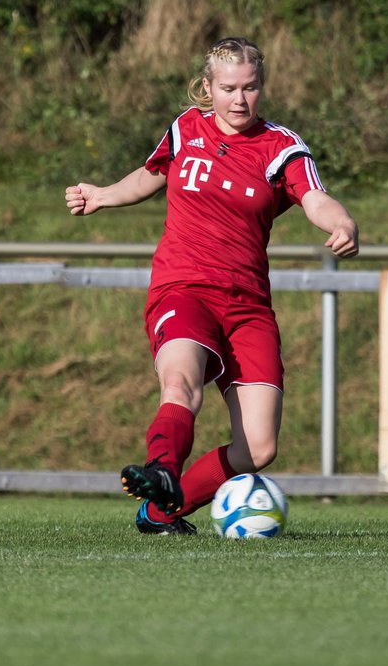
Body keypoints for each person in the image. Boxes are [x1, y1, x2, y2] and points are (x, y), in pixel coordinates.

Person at [64, 37, 360, 534]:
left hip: (247, 306)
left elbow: (315, 197)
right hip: (183, 288)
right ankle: (161, 469)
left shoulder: (281, 147)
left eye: (250, 88)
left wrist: (343, 223)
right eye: (228, 89)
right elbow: (151, 174)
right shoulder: (185, 128)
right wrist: (103, 196)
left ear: (262, 87)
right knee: (180, 382)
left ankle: (162, 508)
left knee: (259, 448)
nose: (240, 100)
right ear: (208, 87)